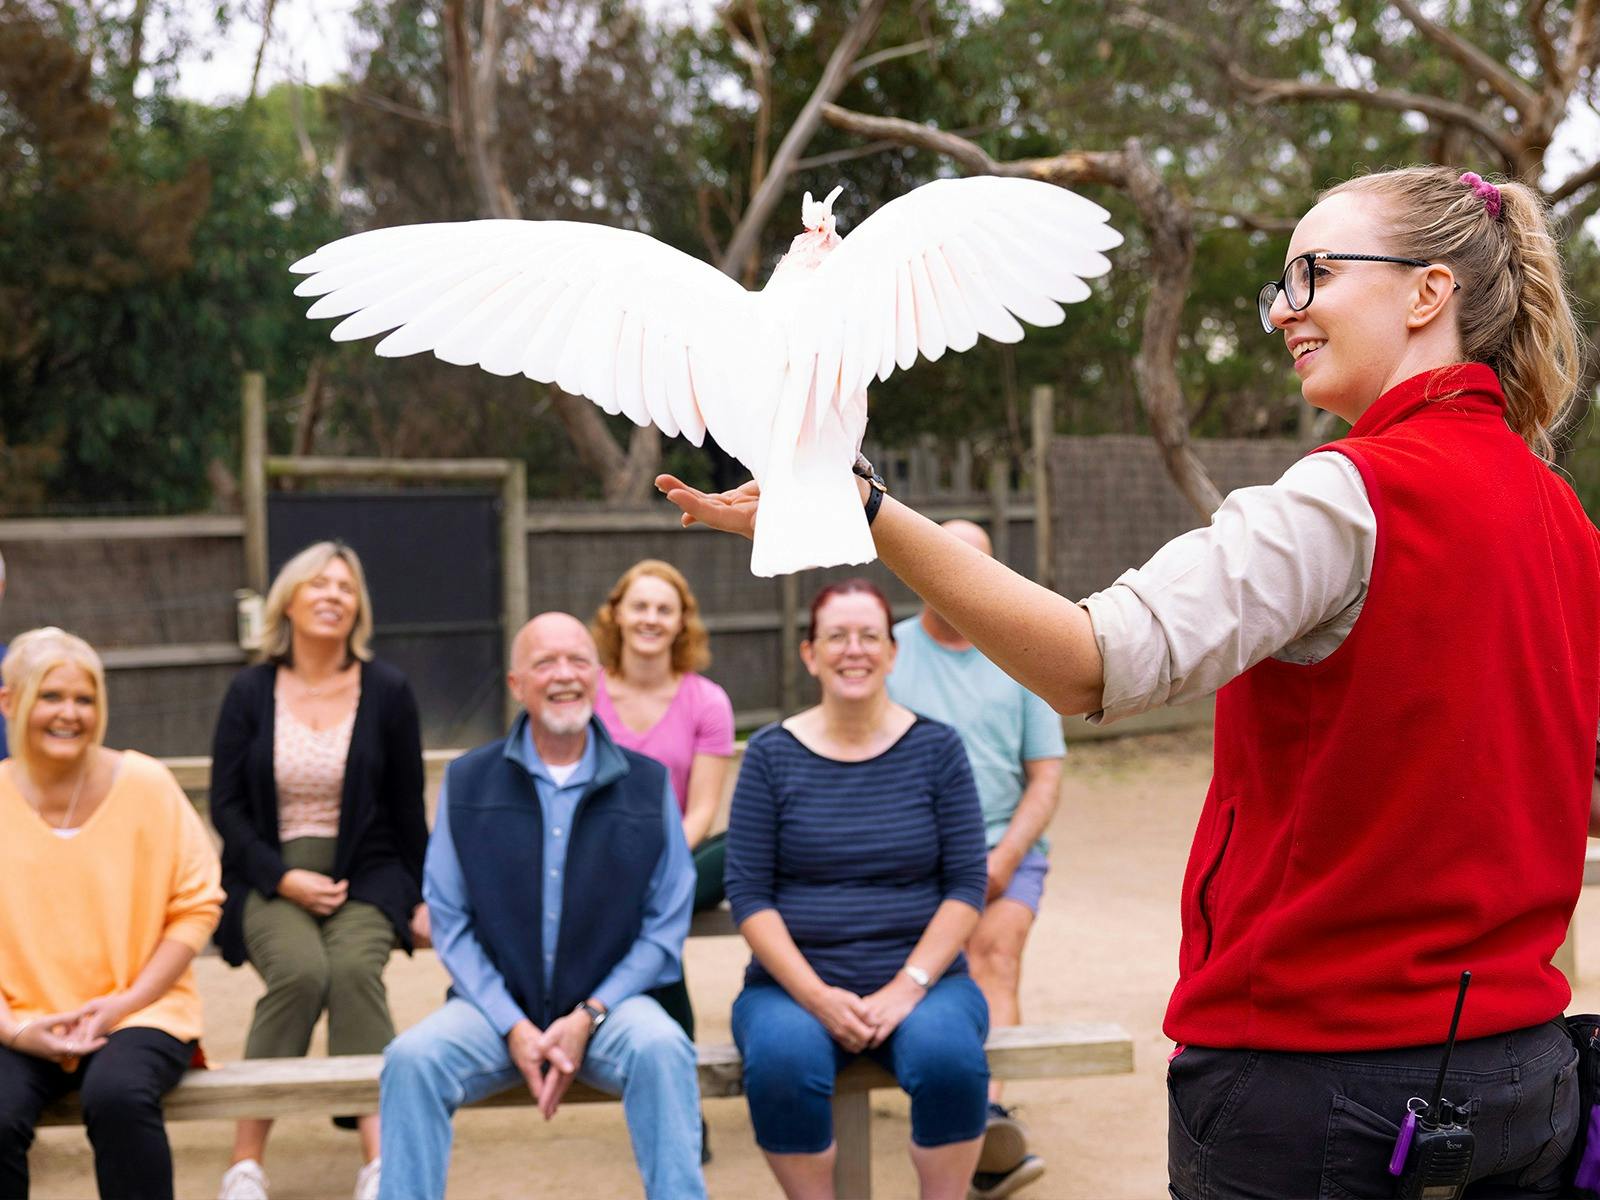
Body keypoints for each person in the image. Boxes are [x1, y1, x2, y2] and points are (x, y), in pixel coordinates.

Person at [660, 165, 1600, 1198]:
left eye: (1314, 274)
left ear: (1429, 292)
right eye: (1280, 284)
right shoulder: (1563, 521)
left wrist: (861, 507)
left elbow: (1090, 661)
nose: (1285, 311)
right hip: (1520, 1078)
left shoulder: (1342, 499)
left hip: (1319, 1085)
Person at [377, 613, 704, 1200]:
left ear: (598, 677)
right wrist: (514, 1026)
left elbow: (664, 927)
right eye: (545, 663)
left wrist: (587, 1016)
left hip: (610, 1013)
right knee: (411, 1060)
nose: (564, 675)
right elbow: (449, 922)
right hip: (492, 1012)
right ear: (515, 684)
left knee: (664, 1048)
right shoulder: (466, 782)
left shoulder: (649, 785)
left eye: (578, 660)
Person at [726, 579, 991, 1200]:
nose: (854, 650)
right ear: (809, 653)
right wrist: (817, 997)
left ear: (892, 652)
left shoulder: (937, 749)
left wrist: (906, 989)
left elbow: (966, 885)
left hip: (928, 987)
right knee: (783, 1065)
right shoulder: (770, 754)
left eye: (870, 636)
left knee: (949, 1061)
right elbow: (749, 894)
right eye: (836, 636)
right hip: (791, 991)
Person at [211, 542, 427, 1200]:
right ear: (290, 601)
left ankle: (381, 1162)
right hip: (269, 875)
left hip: (369, 872)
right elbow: (225, 804)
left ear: (357, 606)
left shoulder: (386, 690)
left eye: (346, 587)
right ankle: (245, 1164)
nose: (334, 595)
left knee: (355, 971)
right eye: (319, 584)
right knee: (303, 974)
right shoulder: (250, 691)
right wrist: (280, 878)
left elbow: (406, 805)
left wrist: (421, 897)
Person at [0, 627, 223, 1200]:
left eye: (85, 698)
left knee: (118, 1096)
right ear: (8, 701)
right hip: (16, 1016)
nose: (70, 713)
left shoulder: (146, 784)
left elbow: (196, 907)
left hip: (140, 1010)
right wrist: (16, 1029)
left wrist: (124, 1003)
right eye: (51, 696)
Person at [886, 520, 1065, 1200]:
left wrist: (1002, 857)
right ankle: (935, 1085)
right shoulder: (889, 650)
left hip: (1001, 847)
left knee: (993, 953)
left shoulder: (1023, 650)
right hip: (907, 854)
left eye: (974, 565)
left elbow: (1044, 776)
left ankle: (984, 1112)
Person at [591, 560, 735, 1042]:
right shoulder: (584, 693)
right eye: (640, 607)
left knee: (738, 845)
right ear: (616, 615)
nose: (651, 618)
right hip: (598, 860)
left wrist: (658, 858)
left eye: (664, 609)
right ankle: (679, 1090)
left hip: (676, 855)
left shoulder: (708, 701)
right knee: (657, 911)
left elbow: (701, 811)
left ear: (681, 623)